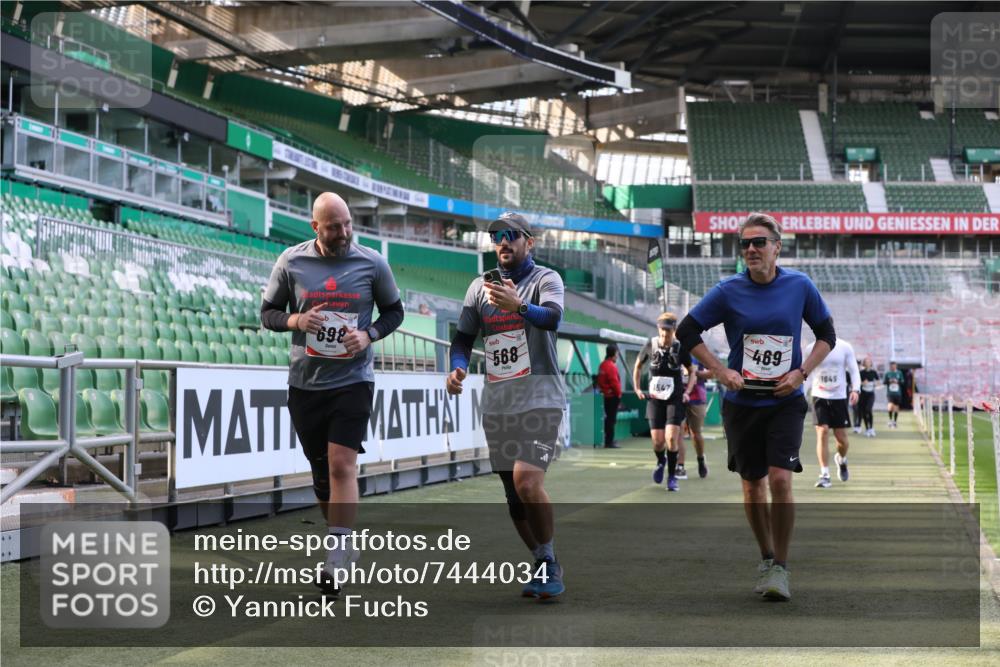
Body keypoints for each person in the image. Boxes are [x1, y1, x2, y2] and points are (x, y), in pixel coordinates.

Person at [676, 213, 836, 602]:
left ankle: (781, 566)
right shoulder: (728, 290)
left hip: (785, 401)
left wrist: (800, 373)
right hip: (742, 404)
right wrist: (719, 370)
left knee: (780, 480)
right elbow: (686, 331)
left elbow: (826, 335)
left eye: (759, 242)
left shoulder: (799, 285)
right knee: (752, 486)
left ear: (777, 247)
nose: (751, 249)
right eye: (745, 243)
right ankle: (766, 556)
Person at [261, 192, 404, 596]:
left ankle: (335, 558)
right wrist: (297, 319)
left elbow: (395, 312)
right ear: (315, 227)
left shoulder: (372, 263)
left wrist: (369, 333)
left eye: (347, 224)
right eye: (333, 226)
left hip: (354, 380)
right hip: (306, 383)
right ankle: (342, 539)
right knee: (321, 474)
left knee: (343, 465)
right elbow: (267, 314)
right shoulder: (291, 261)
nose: (343, 233)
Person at [446, 212, 566, 600]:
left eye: (511, 235)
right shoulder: (478, 288)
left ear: (529, 242)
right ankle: (540, 557)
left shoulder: (546, 279)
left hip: (541, 397)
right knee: (513, 495)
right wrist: (457, 369)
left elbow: (552, 319)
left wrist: (520, 307)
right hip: (498, 404)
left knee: (526, 481)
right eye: (496, 236)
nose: (503, 241)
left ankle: (548, 561)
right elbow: (462, 339)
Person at [633, 312, 693, 492]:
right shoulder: (650, 345)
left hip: (674, 398)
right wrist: (637, 388)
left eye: (668, 330)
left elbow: (692, 371)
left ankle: (672, 476)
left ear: (674, 330)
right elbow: (638, 366)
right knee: (658, 442)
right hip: (655, 399)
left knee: (671, 438)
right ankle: (661, 461)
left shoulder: (680, 347)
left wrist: (687, 392)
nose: (665, 334)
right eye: (662, 330)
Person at [804, 338, 860, 488]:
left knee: (841, 439)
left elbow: (854, 370)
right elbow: (806, 374)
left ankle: (841, 459)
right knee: (822, 431)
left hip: (839, 397)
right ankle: (824, 474)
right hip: (819, 396)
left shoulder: (844, 347)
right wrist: (801, 394)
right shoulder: (810, 348)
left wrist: (856, 389)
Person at [682, 360, 712, 478]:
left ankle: (700, 459)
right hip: (677, 394)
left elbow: (712, 373)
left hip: (696, 396)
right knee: (676, 432)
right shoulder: (672, 348)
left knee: (695, 433)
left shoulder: (698, 351)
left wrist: (695, 373)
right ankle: (679, 466)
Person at [596, 344, 623, 448]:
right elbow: (614, 383)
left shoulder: (602, 365)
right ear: (613, 354)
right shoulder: (611, 366)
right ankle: (609, 442)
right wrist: (619, 395)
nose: (617, 356)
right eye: (617, 354)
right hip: (612, 397)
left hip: (604, 396)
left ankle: (608, 440)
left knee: (608, 419)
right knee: (611, 420)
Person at [858, 357, 879, 437]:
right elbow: (858, 382)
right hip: (863, 394)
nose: (867, 363)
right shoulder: (861, 372)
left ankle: (871, 428)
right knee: (863, 412)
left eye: (869, 361)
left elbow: (878, 382)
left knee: (868, 409)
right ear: (864, 363)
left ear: (871, 363)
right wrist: (863, 383)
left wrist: (874, 383)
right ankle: (867, 429)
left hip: (871, 394)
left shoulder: (873, 372)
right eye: (866, 362)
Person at [884, 361, 904, 428]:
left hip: (897, 393)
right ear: (890, 366)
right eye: (892, 366)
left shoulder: (899, 373)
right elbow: (884, 382)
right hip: (890, 393)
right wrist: (889, 381)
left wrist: (897, 381)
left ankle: (895, 421)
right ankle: (890, 420)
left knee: (896, 407)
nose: (893, 367)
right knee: (890, 406)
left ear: (896, 366)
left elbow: (903, 382)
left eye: (894, 365)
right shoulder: (887, 373)